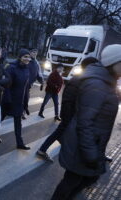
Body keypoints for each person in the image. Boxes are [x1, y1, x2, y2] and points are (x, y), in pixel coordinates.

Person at [51, 44, 121, 200]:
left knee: (84, 180)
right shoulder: (97, 84)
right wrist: (91, 155)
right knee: (72, 182)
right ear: (113, 63)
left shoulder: (106, 81)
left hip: (89, 144)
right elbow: (85, 122)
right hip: (82, 146)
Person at [36, 57, 99, 162]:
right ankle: (42, 150)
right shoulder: (79, 80)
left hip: (72, 114)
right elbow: (68, 100)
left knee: (62, 133)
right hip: (70, 115)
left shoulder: (84, 79)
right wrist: (68, 117)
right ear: (90, 67)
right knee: (59, 132)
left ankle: (58, 144)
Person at [0, 49, 31, 149]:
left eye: (28, 57)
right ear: (20, 57)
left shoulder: (26, 69)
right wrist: (7, 99)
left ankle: (19, 143)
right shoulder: (11, 68)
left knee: (18, 123)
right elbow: (6, 85)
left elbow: (25, 87)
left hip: (19, 102)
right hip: (9, 100)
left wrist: (25, 103)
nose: (27, 59)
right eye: (25, 56)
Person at [23, 48, 44, 119]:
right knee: (22, 97)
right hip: (22, 82)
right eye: (33, 52)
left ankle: (23, 112)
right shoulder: (26, 60)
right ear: (30, 52)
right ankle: (21, 110)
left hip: (29, 84)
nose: (35, 53)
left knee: (26, 98)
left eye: (36, 52)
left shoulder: (36, 63)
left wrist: (42, 82)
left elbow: (38, 73)